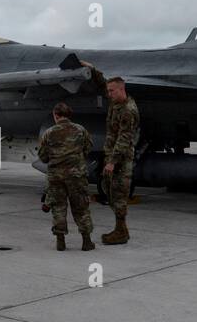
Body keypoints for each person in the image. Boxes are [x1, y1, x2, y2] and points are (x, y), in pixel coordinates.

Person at [82, 61, 139, 244]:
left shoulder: (128, 111)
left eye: (112, 91)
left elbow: (124, 138)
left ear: (121, 90)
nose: (109, 94)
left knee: (119, 195)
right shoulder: (116, 102)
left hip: (121, 159)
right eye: (108, 91)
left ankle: (121, 232)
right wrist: (91, 69)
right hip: (113, 155)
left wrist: (112, 162)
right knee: (110, 191)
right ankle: (121, 229)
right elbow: (103, 82)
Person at [37, 101, 95, 252]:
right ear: (69, 115)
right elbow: (88, 148)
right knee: (81, 208)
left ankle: (60, 241)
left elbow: (42, 157)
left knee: (58, 208)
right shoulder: (80, 130)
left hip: (56, 178)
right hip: (77, 176)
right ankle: (86, 241)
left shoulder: (49, 133)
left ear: (56, 115)